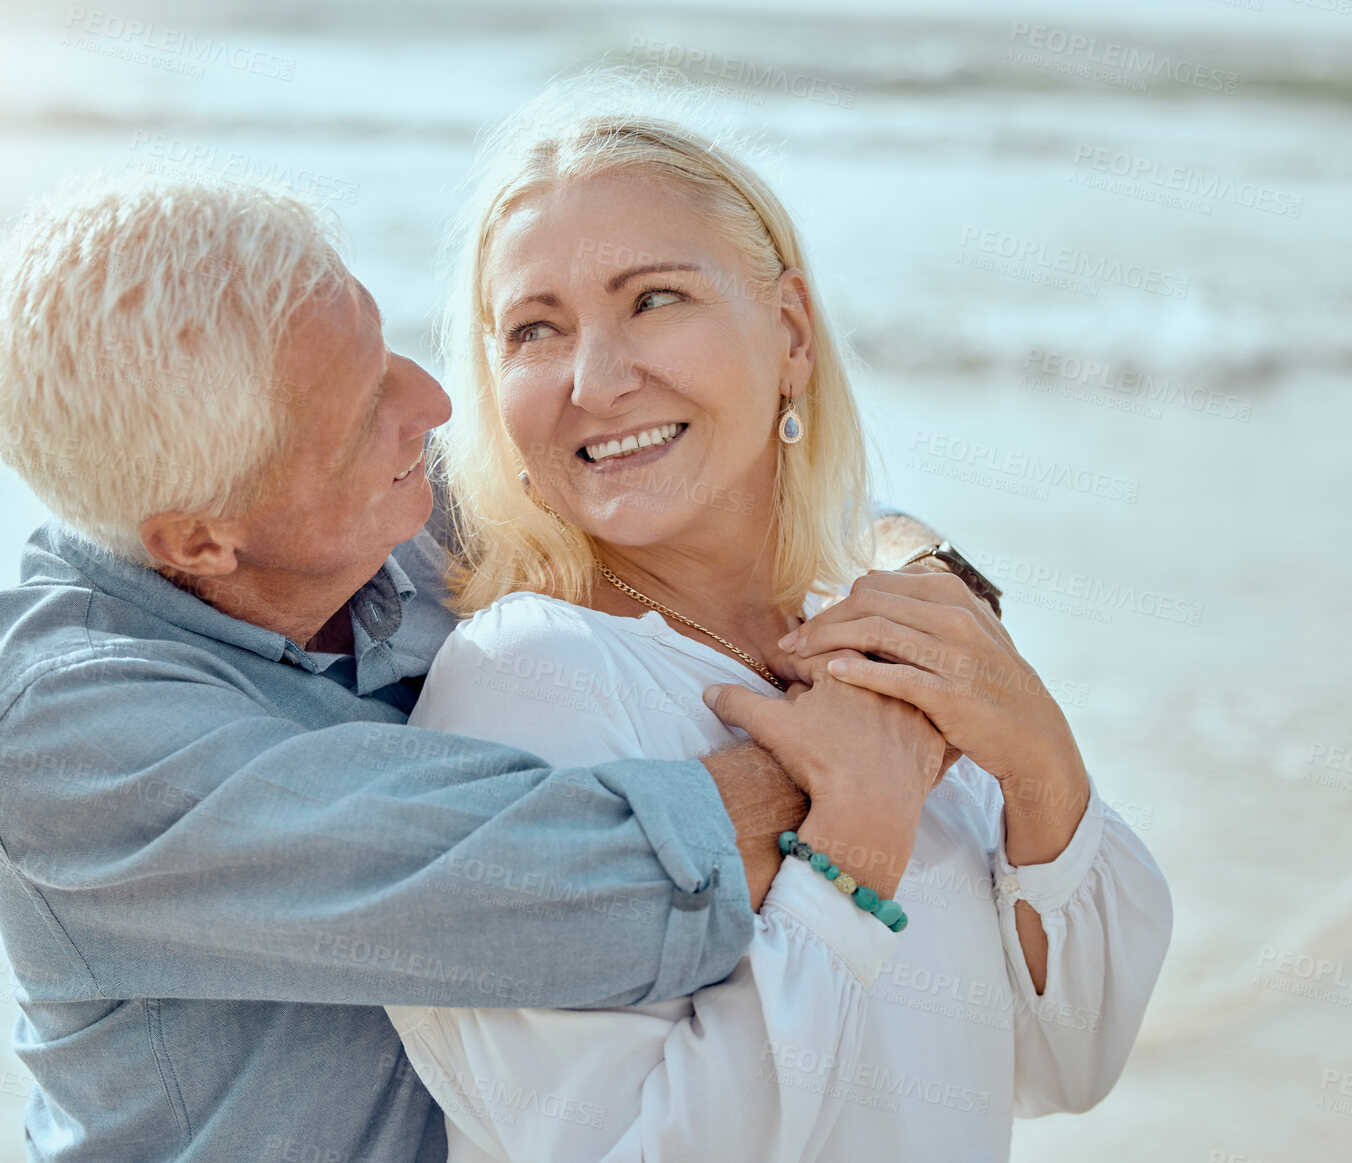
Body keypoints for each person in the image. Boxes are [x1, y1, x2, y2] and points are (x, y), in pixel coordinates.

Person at [0, 170, 948, 1161]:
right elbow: (570, 888)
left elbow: (740, 503)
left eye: (380, 347)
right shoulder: (71, 745)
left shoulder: (374, 508)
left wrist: (925, 576)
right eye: (358, 412)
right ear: (200, 541)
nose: (429, 403)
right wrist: (855, 750)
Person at [384, 107, 1174, 1161]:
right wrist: (852, 843)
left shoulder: (873, 633)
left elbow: (1069, 1060)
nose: (595, 378)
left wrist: (1041, 763)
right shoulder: (527, 679)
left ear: (791, 333)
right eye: (536, 328)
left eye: (654, 298)